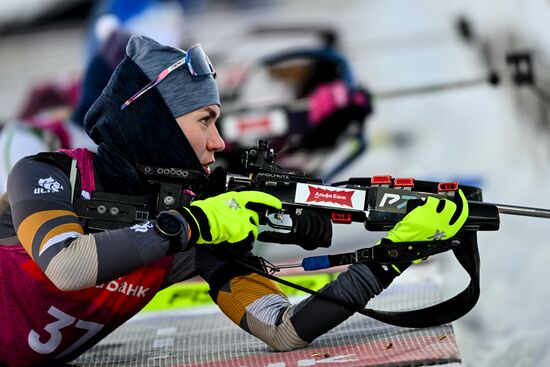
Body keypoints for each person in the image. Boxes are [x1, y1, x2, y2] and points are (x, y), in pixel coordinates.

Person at [0, 35, 469, 366]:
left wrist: (387, 262)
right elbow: (65, 266)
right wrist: (190, 224)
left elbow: (285, 330)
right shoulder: (47, 174)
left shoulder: (198, 221)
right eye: (205, 120)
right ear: (157, 121)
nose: (220, 142)